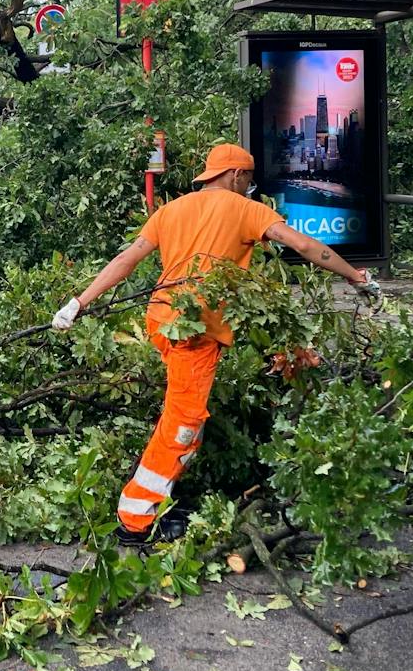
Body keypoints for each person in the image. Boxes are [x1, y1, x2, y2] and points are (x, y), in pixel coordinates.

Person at [51, 142, 379, 548]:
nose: (248, 187)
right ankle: (134, 520)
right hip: (195, 332)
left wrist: (78, 302)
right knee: (184, 422)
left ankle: (156, 499)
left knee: (187, 418)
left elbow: (127, 260)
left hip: (163, 320)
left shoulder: (171, 210)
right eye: (248, 180)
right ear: (237, 176)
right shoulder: (248, 209)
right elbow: (307, 246)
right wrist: (356, 277)